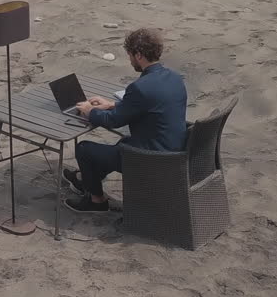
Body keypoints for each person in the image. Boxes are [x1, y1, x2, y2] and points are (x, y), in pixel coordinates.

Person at [62, 28, 187, 212]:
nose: (129, 60)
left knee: (84, 149)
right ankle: (84, 180)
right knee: (120, 144)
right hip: (174, 151)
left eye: (129, 55)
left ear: (138, 55)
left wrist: (90, 111)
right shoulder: (176, 79)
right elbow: (149, 106)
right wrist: (112, 104)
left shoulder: (140, 87)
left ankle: (97, 201)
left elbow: (113, 121)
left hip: (148, 159)